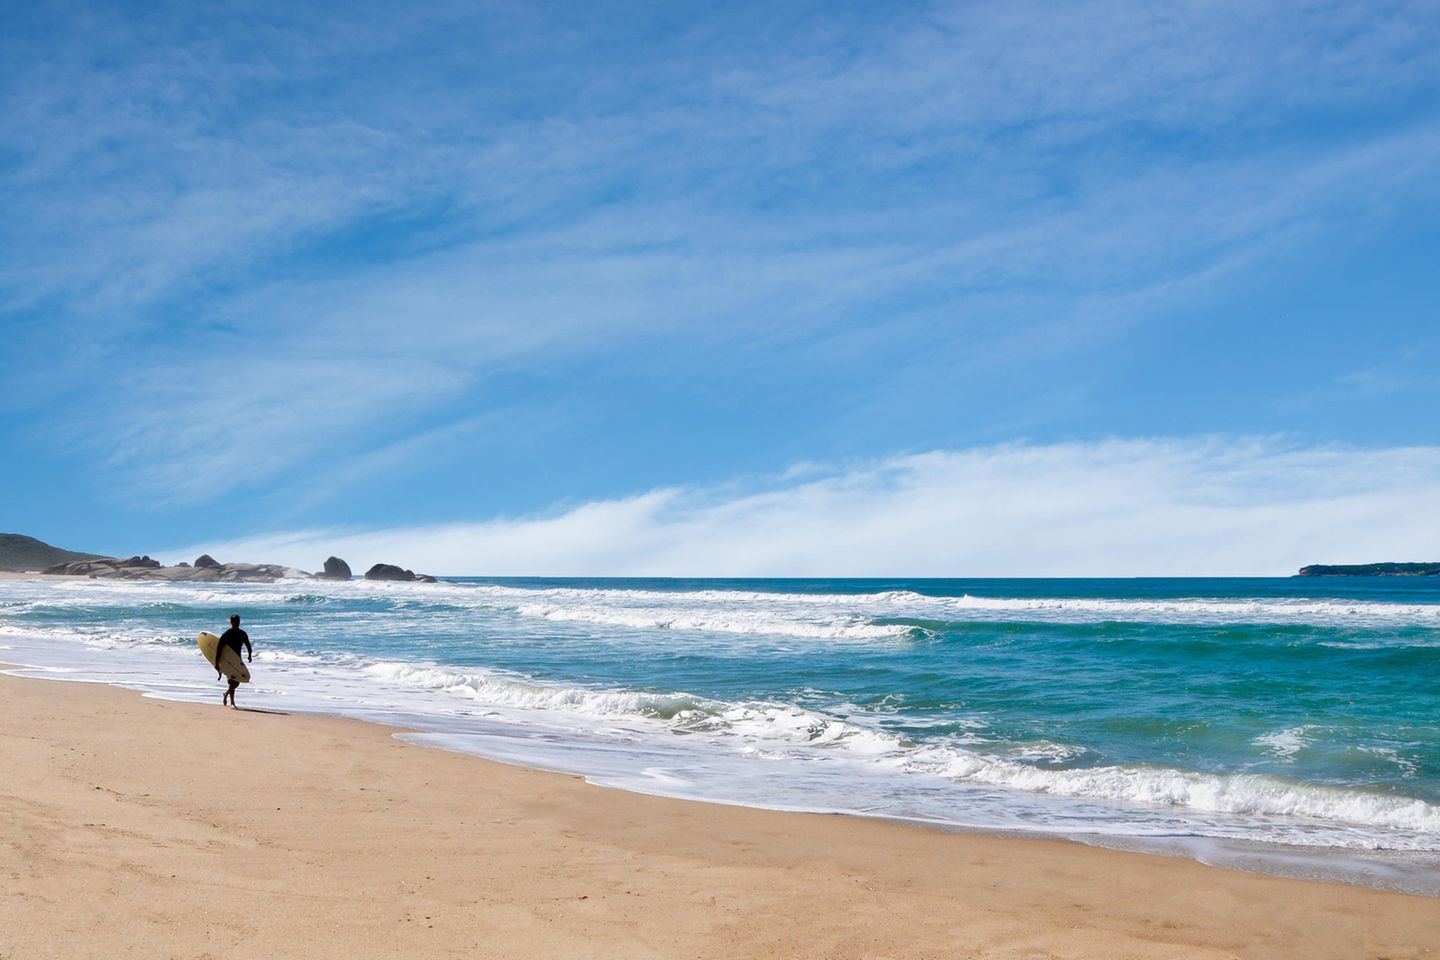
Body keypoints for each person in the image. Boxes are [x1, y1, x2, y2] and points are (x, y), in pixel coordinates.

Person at [217, 614, 252, 708]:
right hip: (228, 661)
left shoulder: (242, 634)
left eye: (237, 622)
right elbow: (219, 648)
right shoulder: (227, 634)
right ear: (231, 622)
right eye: (234, 622)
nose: (236, 623)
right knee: (232, 681)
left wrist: (249, 655)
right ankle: (232, 702)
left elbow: (248, 645)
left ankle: (226, 693)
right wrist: (217, 663)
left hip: (237, 660)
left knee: (237, 682)